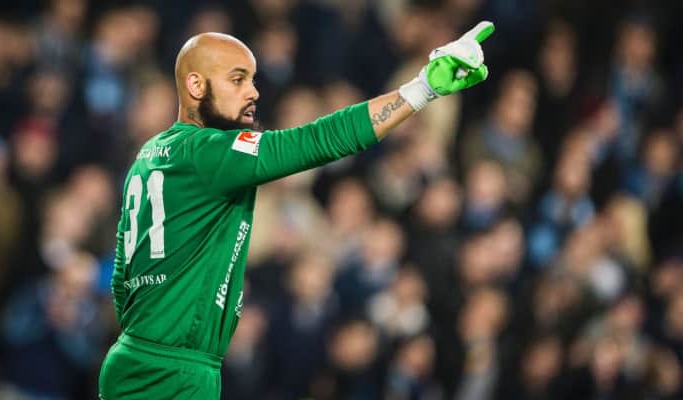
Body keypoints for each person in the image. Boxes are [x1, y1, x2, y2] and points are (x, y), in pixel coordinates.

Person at [98, 21, 494, 399]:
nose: (253, 92)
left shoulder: (151, 154)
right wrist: (422, 89)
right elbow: (320, 140)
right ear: (196, 85)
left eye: (253, 80)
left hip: (134, 356)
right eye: (237, 80)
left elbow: (121, 277)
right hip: (174, 372)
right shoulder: (211, 152)